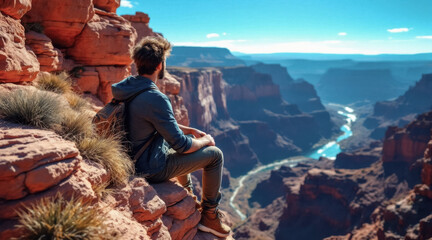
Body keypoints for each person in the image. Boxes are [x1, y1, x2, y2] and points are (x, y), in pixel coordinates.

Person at [111, 36, 231, 238]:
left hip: (132, 156)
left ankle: (188, 194)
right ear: (159, 65)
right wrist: (205, 140)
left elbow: (149, 120)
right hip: (148, 167)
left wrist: (189, 129)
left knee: (176, 142)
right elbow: (183, 146)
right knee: (215, 155)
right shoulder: (156, 97)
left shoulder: (128, 87)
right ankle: (210, 216)